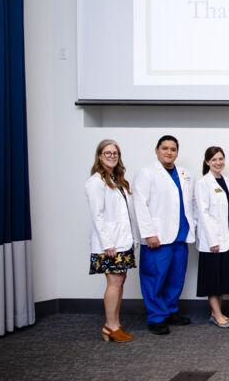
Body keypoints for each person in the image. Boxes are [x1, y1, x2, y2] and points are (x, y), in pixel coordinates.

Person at [132, 135, 196, 335]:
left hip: (180, 235)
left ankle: (170, 311)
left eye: (173, 149)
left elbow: (190, 202)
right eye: (165, 148)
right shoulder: (146, 173)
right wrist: (149, 233)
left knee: (176, 278)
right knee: (154, 277)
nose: (169, 152)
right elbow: (139, 206)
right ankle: (156, 317)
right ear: (156, 150)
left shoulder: (185, 173)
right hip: (157, 238)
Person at [86, 139, 138, 342]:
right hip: (110, 244)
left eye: (115, 153)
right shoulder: (95, 182)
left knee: (120, 281)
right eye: (107, 153)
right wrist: (107, 243)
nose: (112, 156)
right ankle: (110, 326)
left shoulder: (118, 180)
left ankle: (115, 324)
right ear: (99, 156)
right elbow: (97, 215)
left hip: (122, 241)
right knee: (114, 282)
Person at [194, 146, 229, 328]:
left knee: (222, 276)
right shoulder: (203, 183)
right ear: (207, 162)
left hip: (228, 235)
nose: (218, 162)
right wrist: (212, 240)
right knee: (213, 278)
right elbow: (203, 213)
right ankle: (216, 313)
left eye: (220, 158)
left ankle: (218, 312)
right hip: (212, 239)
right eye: (214, 159)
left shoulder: (226, 181)